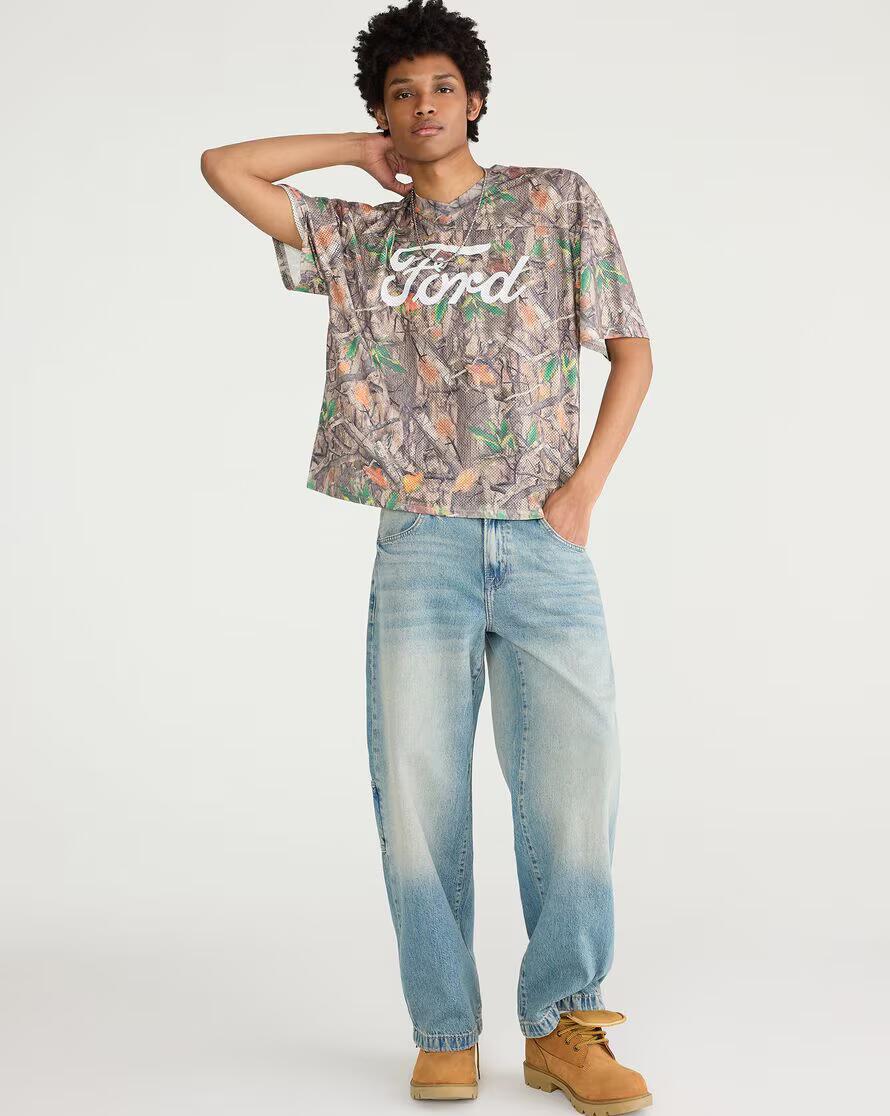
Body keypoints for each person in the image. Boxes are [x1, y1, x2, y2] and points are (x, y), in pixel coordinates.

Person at [200, 0, 654, 1109]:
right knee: (417, 792)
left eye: (442, 87)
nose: (424, 106)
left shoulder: (553, 201)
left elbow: (633, 352)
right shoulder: (361, 240)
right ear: (383, 113)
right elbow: (224, 166)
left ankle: (565, 1025)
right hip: (419, 541)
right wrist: (353, 153)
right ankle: (444, 1026)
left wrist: (583, 491)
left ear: (477, 99)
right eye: (400, 94)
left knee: (574, 788)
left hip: (544, 537)